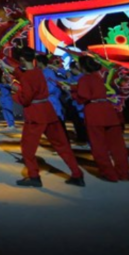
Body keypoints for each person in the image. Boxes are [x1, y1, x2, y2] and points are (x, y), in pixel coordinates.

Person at [11, 47, 85, 187]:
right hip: (48, 111)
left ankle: (34, 176)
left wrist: (15, 93)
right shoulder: (39, 72)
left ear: (21, 59)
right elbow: (27, 78)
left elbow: (26, 99)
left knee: (27, 148)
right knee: (62, 144)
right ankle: (77, 173)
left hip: (35, 114)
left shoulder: (28, 76)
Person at [70, 57, 129, 182]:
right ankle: (124, 173)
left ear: (82, 66)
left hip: (94, 111)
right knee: (117, 145)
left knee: (98, 145)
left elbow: (84, 96)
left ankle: (109, 173)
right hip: (108, 110)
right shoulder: (98, 77)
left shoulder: (84, 79)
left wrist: (73, 93)